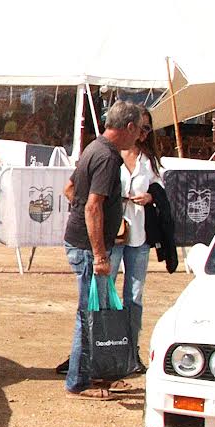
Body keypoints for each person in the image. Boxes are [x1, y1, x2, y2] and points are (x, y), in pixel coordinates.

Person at [63, 100, 146, 397]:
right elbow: (93, 206)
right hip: (88, 248)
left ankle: (98, 376)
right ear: (129, 127)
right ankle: (80, 381)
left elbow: (69, 189)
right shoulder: (108, 158)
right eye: (141, 130)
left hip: (82, 242)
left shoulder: (93, 148)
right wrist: (99, 254)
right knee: (90, 314)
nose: (140, 137)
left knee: (94, 311)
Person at [119, 111, 162, 340]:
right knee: (104, 291)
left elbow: (160, 189)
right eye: (141, 128)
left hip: (139, 232)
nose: (145, 134)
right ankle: (105, 345)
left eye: (148, 129)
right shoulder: (112, 154)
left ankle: (131, 346)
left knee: (134, 294)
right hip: (113, 232)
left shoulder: (149, 159)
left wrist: (150, 198)